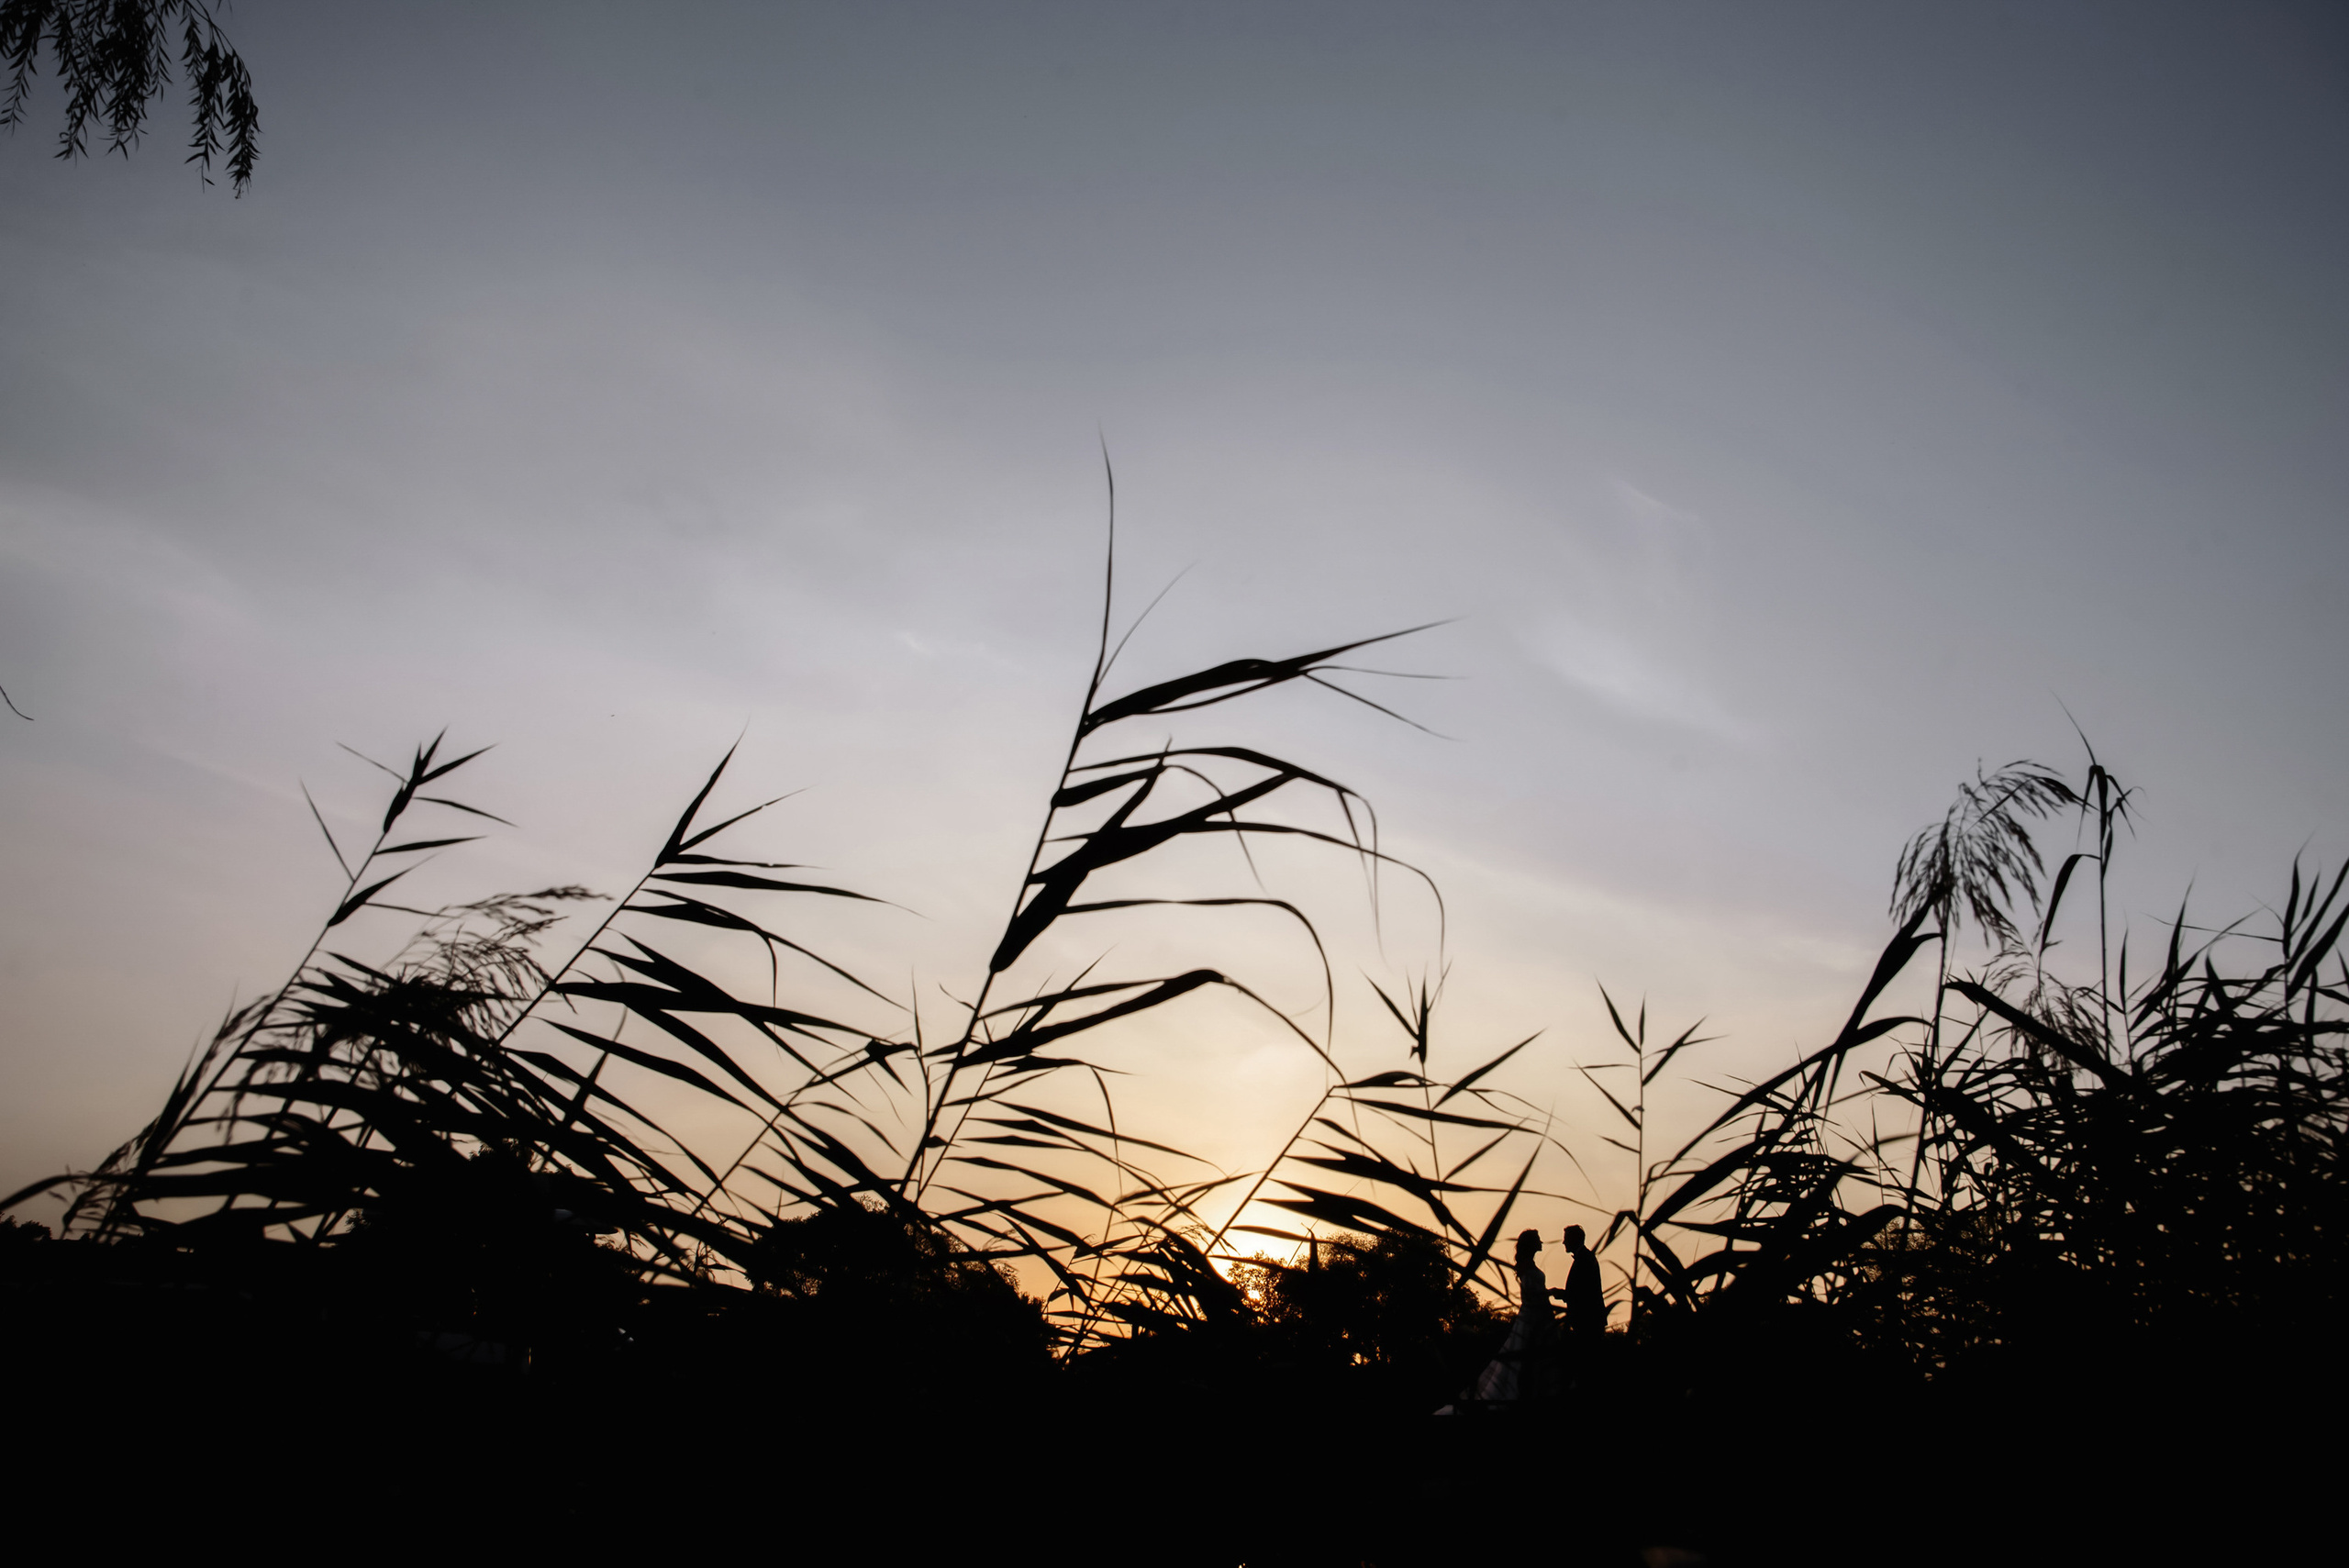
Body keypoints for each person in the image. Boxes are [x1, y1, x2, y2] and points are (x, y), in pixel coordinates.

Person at [1442, 1229, 1556, 1410]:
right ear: (1531, 1244)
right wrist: (1549, 1294)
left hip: (1539, 1316)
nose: (1541, 1242)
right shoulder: (1527, 1266)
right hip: (1533, 1317)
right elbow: (1531, 1294)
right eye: (1538, 1239)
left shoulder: (1528, 1264)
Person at [1555, 1225, 1609, 1340]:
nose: (1563, 1242)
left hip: (1588, 1320)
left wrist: (1562, 1294)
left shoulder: (1584, 1259)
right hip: (1588, 1320)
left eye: (1566, 1239)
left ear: (1574, 1239)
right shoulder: (1585, 1257)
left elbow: (1582, 1293)